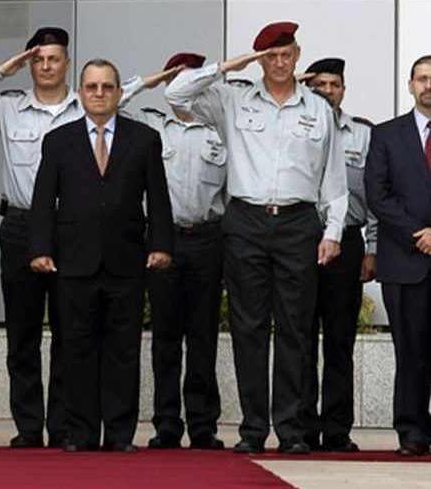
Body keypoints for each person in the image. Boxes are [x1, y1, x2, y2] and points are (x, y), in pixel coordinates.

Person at [0, 27, 177, 448]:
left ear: (68, 66)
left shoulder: (122, 125)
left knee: (84, 341)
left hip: (103, 247)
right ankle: (31, 428)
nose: (46, 65)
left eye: (54, 58)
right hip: (28, 231)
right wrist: (5, 68)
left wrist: (160, 244)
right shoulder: (14, 109)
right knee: (26, 336)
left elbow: (156, 198)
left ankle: (70, 428)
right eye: (39, 59)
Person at [165, 21, 348, 454]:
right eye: (270, 56)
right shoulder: (232, 98)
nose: (279, 63)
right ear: (258, 59)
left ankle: (290, 430)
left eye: (286, 54)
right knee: (247, 328)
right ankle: (252, 429)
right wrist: (232, 64)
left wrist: (333, 231)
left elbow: (334, 180)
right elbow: (177, 94)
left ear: (298, 54)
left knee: (295, 329)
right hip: (245, 222)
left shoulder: (318, 109)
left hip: (299, 223)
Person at [29, 58, 173, 452]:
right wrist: (40, 248)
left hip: (127, 263)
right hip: (74, 263)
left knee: (123, 351)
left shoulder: (144, 139)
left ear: (119, 93)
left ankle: (121, 435)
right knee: (76, 350)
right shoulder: (58, 141)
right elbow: (44, 200)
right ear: (80, 93)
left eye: (107, 87)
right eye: (91, 87)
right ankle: (81, 433)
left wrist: (161, 245)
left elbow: (158, 199)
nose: (99, 93)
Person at [132, 52, 227, 450]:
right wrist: (151, 79)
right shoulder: (152, 125)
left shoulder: (222, 129)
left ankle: (203, 425)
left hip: (208, 237)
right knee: (166, 336)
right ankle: (167, 423)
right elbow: (107, 103)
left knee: (204, 335)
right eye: (180, 78)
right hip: (163, 239)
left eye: (194, 78)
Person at [298, 57, 378, 453]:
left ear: (343, 90)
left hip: (346, 244)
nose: (327, 91)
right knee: (300, 338)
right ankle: (303, 429)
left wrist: (373, 248)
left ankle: (337, 429)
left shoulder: (363, 135)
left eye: (334, 84)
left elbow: (376, 196)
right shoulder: (295, 126)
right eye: (320, 85)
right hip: (297, 243)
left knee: (339, 341)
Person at [364, 54, 431, 457]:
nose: (429, 85)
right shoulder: (387, 134)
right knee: (411, 352)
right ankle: (411, 430)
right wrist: (417, 234)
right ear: (409, 85)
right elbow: (378, 194)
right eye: (422, 78)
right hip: (405, 262)